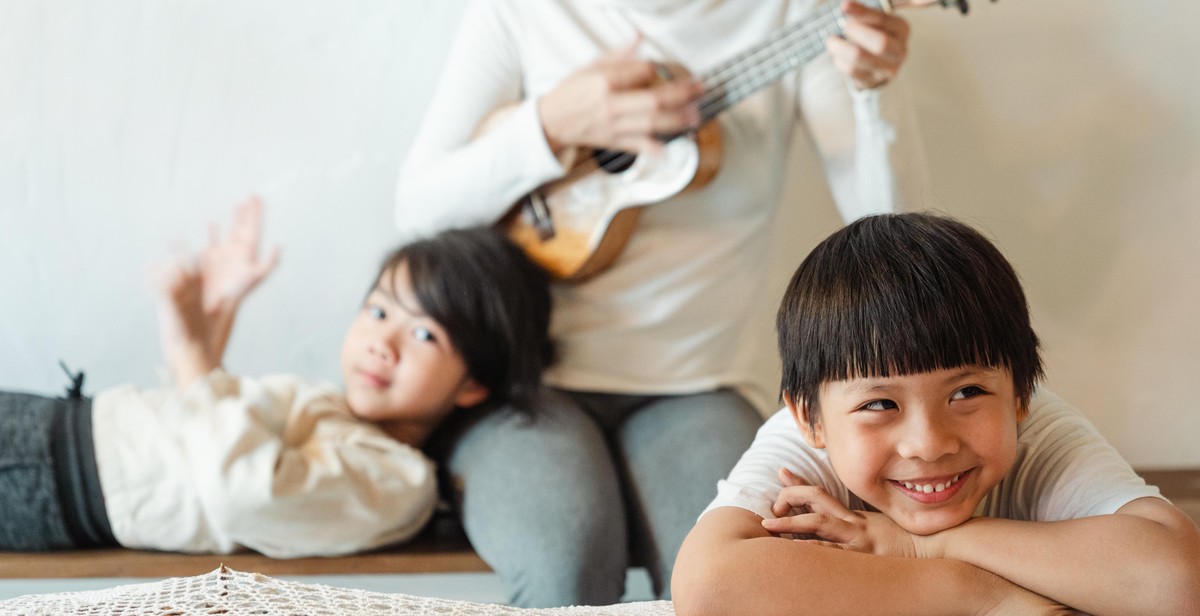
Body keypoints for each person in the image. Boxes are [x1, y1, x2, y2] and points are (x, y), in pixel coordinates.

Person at [395, 0, 934, 607]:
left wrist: (871, 91)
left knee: (737, 578)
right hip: (524, 380)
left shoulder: (796, 12)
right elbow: (418, 208)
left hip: (695, 382)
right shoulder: (521, 11)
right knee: (565, 565)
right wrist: (549, 125)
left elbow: (895, 237)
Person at [672, 212, 1200, 615]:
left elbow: (1179, 580)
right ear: (810, 418)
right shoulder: (798, 443)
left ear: (1020, 395)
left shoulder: (1038, 429)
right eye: (880, 404)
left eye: (966, 392)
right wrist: (982, 596)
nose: (929, 443)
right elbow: (710, 582)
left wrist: (920, 545)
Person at [0, 197, 553, 559]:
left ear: (473, 384)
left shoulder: (397, 481)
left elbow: (243, 492)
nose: (380, 344)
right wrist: (208, 331)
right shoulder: (338, 413)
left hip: (51, 478)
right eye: (380, 312)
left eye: (425, 335)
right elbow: (205, 431)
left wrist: (194, 358)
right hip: (49, 425)